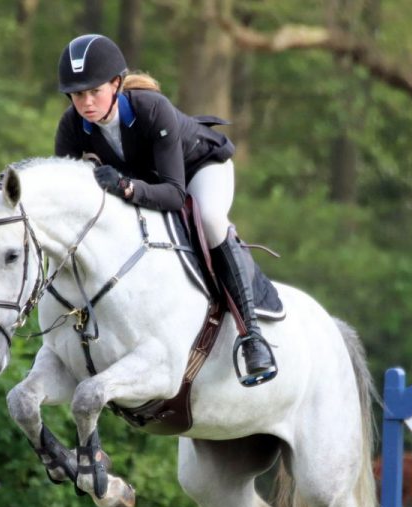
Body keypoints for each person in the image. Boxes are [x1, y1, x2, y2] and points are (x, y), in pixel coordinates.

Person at [53, 33, 277, 387]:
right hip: (149, 182)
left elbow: (174, 195)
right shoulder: (71, 127)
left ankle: (252, 336)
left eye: (94, 91)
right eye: (78, 94)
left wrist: (126, 187)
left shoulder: (150, 108)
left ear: (116, 84)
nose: (86, 102)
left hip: (199, 169)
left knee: (210, 219)